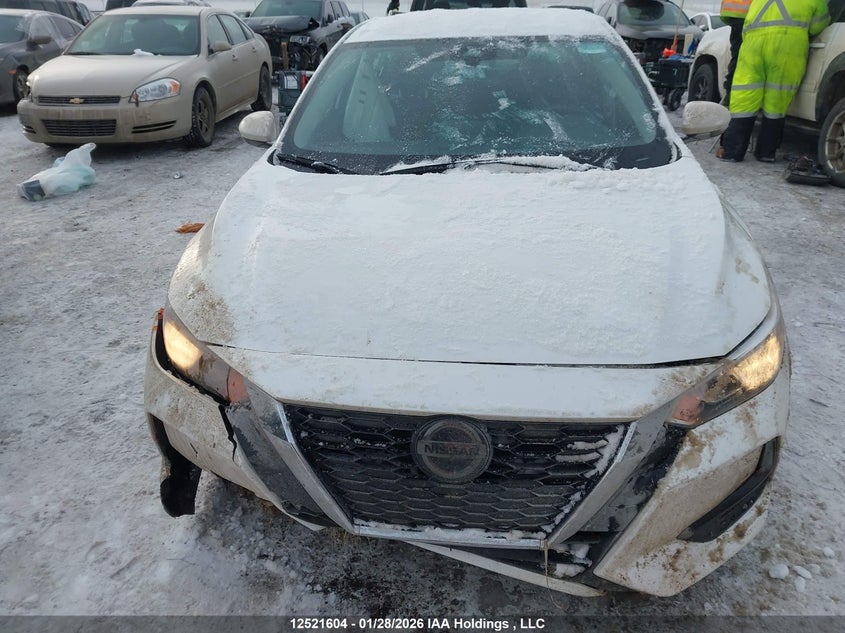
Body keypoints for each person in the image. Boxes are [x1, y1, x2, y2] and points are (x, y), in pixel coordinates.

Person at [719, 0, 830, 162]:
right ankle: (765, 153)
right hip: (787, 47)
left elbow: (746, 26)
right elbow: (817, 26)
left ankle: (732, 152)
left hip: (753, 45)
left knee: (744, 99)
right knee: (776, 103)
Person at [719, 0, 752, 106]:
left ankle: (729, 92)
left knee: (736, 57)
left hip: (733, 15)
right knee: (742, 58)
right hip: (746, 15)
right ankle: (731, 94)